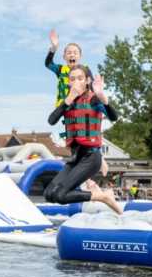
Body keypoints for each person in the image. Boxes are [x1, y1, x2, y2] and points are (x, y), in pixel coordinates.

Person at [44, 65, 123, 214]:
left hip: (91, 157)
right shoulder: (68, 102)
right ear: (68, 82)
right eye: (72, 79)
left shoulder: (93, 99)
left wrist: (103, 98)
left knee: (61, 195)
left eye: (80, 78)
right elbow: (51, 120)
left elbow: (114, 117)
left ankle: (102, 197)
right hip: (75, 158)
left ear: (87, 81)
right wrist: (68, 100)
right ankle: (102, 196)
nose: (76, 82)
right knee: (49, 194)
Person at [45, 29, 93, 107]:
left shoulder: (85, 69)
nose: (72, 55)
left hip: (81, 106)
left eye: (75, 53)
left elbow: (92, 86)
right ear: (64, 57)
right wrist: (54, 48)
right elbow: (48, 64)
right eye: (69, 53)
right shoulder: (60, 70)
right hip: (65, 107)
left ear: (80, 56)